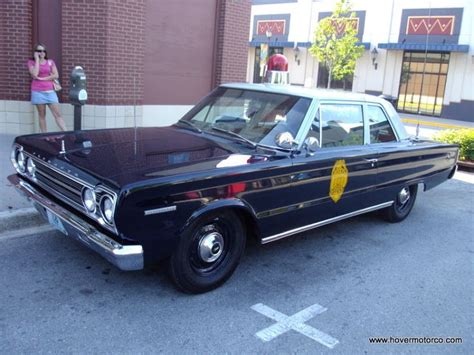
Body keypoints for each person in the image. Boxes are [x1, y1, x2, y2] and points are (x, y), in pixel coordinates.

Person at [27, 43, 66, 132]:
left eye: (44, 51)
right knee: (42, 115)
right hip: (38, 92)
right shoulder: (31, 62)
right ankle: (45, 137)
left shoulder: (50, 62)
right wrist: (37, 59)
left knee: (58, 114)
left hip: (50, 91)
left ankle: (66, 133)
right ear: (35, 52)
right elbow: (34, 74)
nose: (42, 52)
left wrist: (43, 78)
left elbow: (56, 75)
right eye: (39, 51)